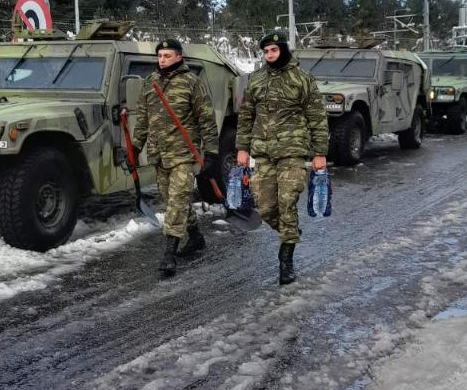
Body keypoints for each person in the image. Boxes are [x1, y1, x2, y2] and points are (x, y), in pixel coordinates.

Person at [235, 30, 329, 286]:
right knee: (265, 207)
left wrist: (320, 152)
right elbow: (245, 116)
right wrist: (242, 148)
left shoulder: (302, 79)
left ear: (284, 50)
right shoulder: (255, 80)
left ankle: (285, 261)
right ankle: (290, 233)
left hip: (292, 151)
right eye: (265, 52)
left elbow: (317, 117)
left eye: (274, 50)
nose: (269, 55)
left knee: (286, 202)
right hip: (263, 151)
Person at [130, 38, 219, 277]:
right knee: (172, 200)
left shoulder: (191, 82)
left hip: (183, 153)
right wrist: (134, 148)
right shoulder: (150, 82)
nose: (162, 60)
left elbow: (206, 120)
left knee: (178, 199)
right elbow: (143, 121)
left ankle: (169, 253)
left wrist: (211, 152)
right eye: (160, 56)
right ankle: (196, 237)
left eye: (167, 55)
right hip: (159, 154)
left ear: (179, 56)